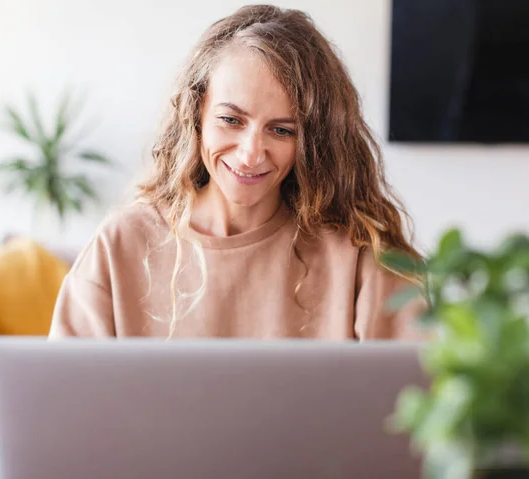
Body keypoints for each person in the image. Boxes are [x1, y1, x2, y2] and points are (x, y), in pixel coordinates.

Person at [49, 4, 427, 341]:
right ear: (195, 115)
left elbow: (421, 409)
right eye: (231, 120)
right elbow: (62, 406)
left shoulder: (359, 255)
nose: (250, 155)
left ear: (313, 141)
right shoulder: (120, 246)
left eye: (282, 130)